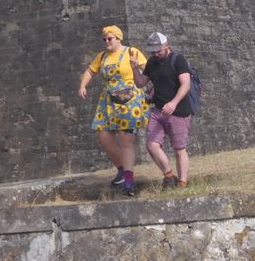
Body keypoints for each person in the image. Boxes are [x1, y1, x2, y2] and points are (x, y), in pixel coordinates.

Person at [78, 25, 149, 196]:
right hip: (108, 100)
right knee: (104, 136)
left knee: (126, 140)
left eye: (110, 38)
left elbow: (148, 70)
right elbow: (90, 71)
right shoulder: (102, 57)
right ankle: (122, 170)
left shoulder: (132, 52)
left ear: (119, 38)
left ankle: (129, 181)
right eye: (104, 39)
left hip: (129, 99)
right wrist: (82, 85)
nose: (107, 41)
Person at [130, 31, 192, 188]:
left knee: (179, 149)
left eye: (159, 49)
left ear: (167, 46)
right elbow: (140, 83)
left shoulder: (178, 60)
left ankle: (182, 183)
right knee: (151, 145)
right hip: (158, 111)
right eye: (153, 50)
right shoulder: (152, 62)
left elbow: (186, 84)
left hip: (178, 111)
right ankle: (169, 176)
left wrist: (173, 103)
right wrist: (135, 68)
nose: (156, 53)